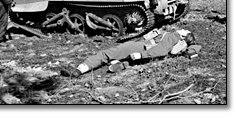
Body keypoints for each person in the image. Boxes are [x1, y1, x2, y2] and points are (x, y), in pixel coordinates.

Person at [60, 28, 200, 78]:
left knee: (107, 53)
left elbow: (161, 50)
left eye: (184, 31)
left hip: (142, 49)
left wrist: (141, 54)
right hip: (147, 53)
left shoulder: (174, 36)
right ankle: (120, 65)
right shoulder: (180, 43)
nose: (182, 29)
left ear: (184, 35)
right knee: (129, 60)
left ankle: (79, 71)